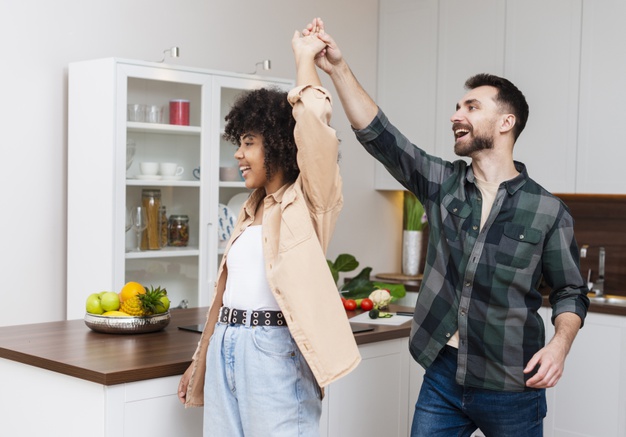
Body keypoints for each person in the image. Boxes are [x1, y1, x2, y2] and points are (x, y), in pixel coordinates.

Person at [303, 17, 589, 437]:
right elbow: (381, 136)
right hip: (443, 375)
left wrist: (559, 346)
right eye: (458, 106)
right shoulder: (443, 184)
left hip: (512, 383)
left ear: (506, 123)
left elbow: (570, 291)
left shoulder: (547, 210)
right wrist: (338, 68)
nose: (457, 114)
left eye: (472, 107)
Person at [177, 25, 360, 436]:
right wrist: (199, 361)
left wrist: (303, 58)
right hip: (229, 341)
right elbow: (224, 298)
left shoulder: (311, 200)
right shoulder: (249, 211)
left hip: (274, 351)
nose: (239, 155)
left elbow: (314, 125)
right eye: (238, 143)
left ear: (278, 142)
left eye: (248, 142)